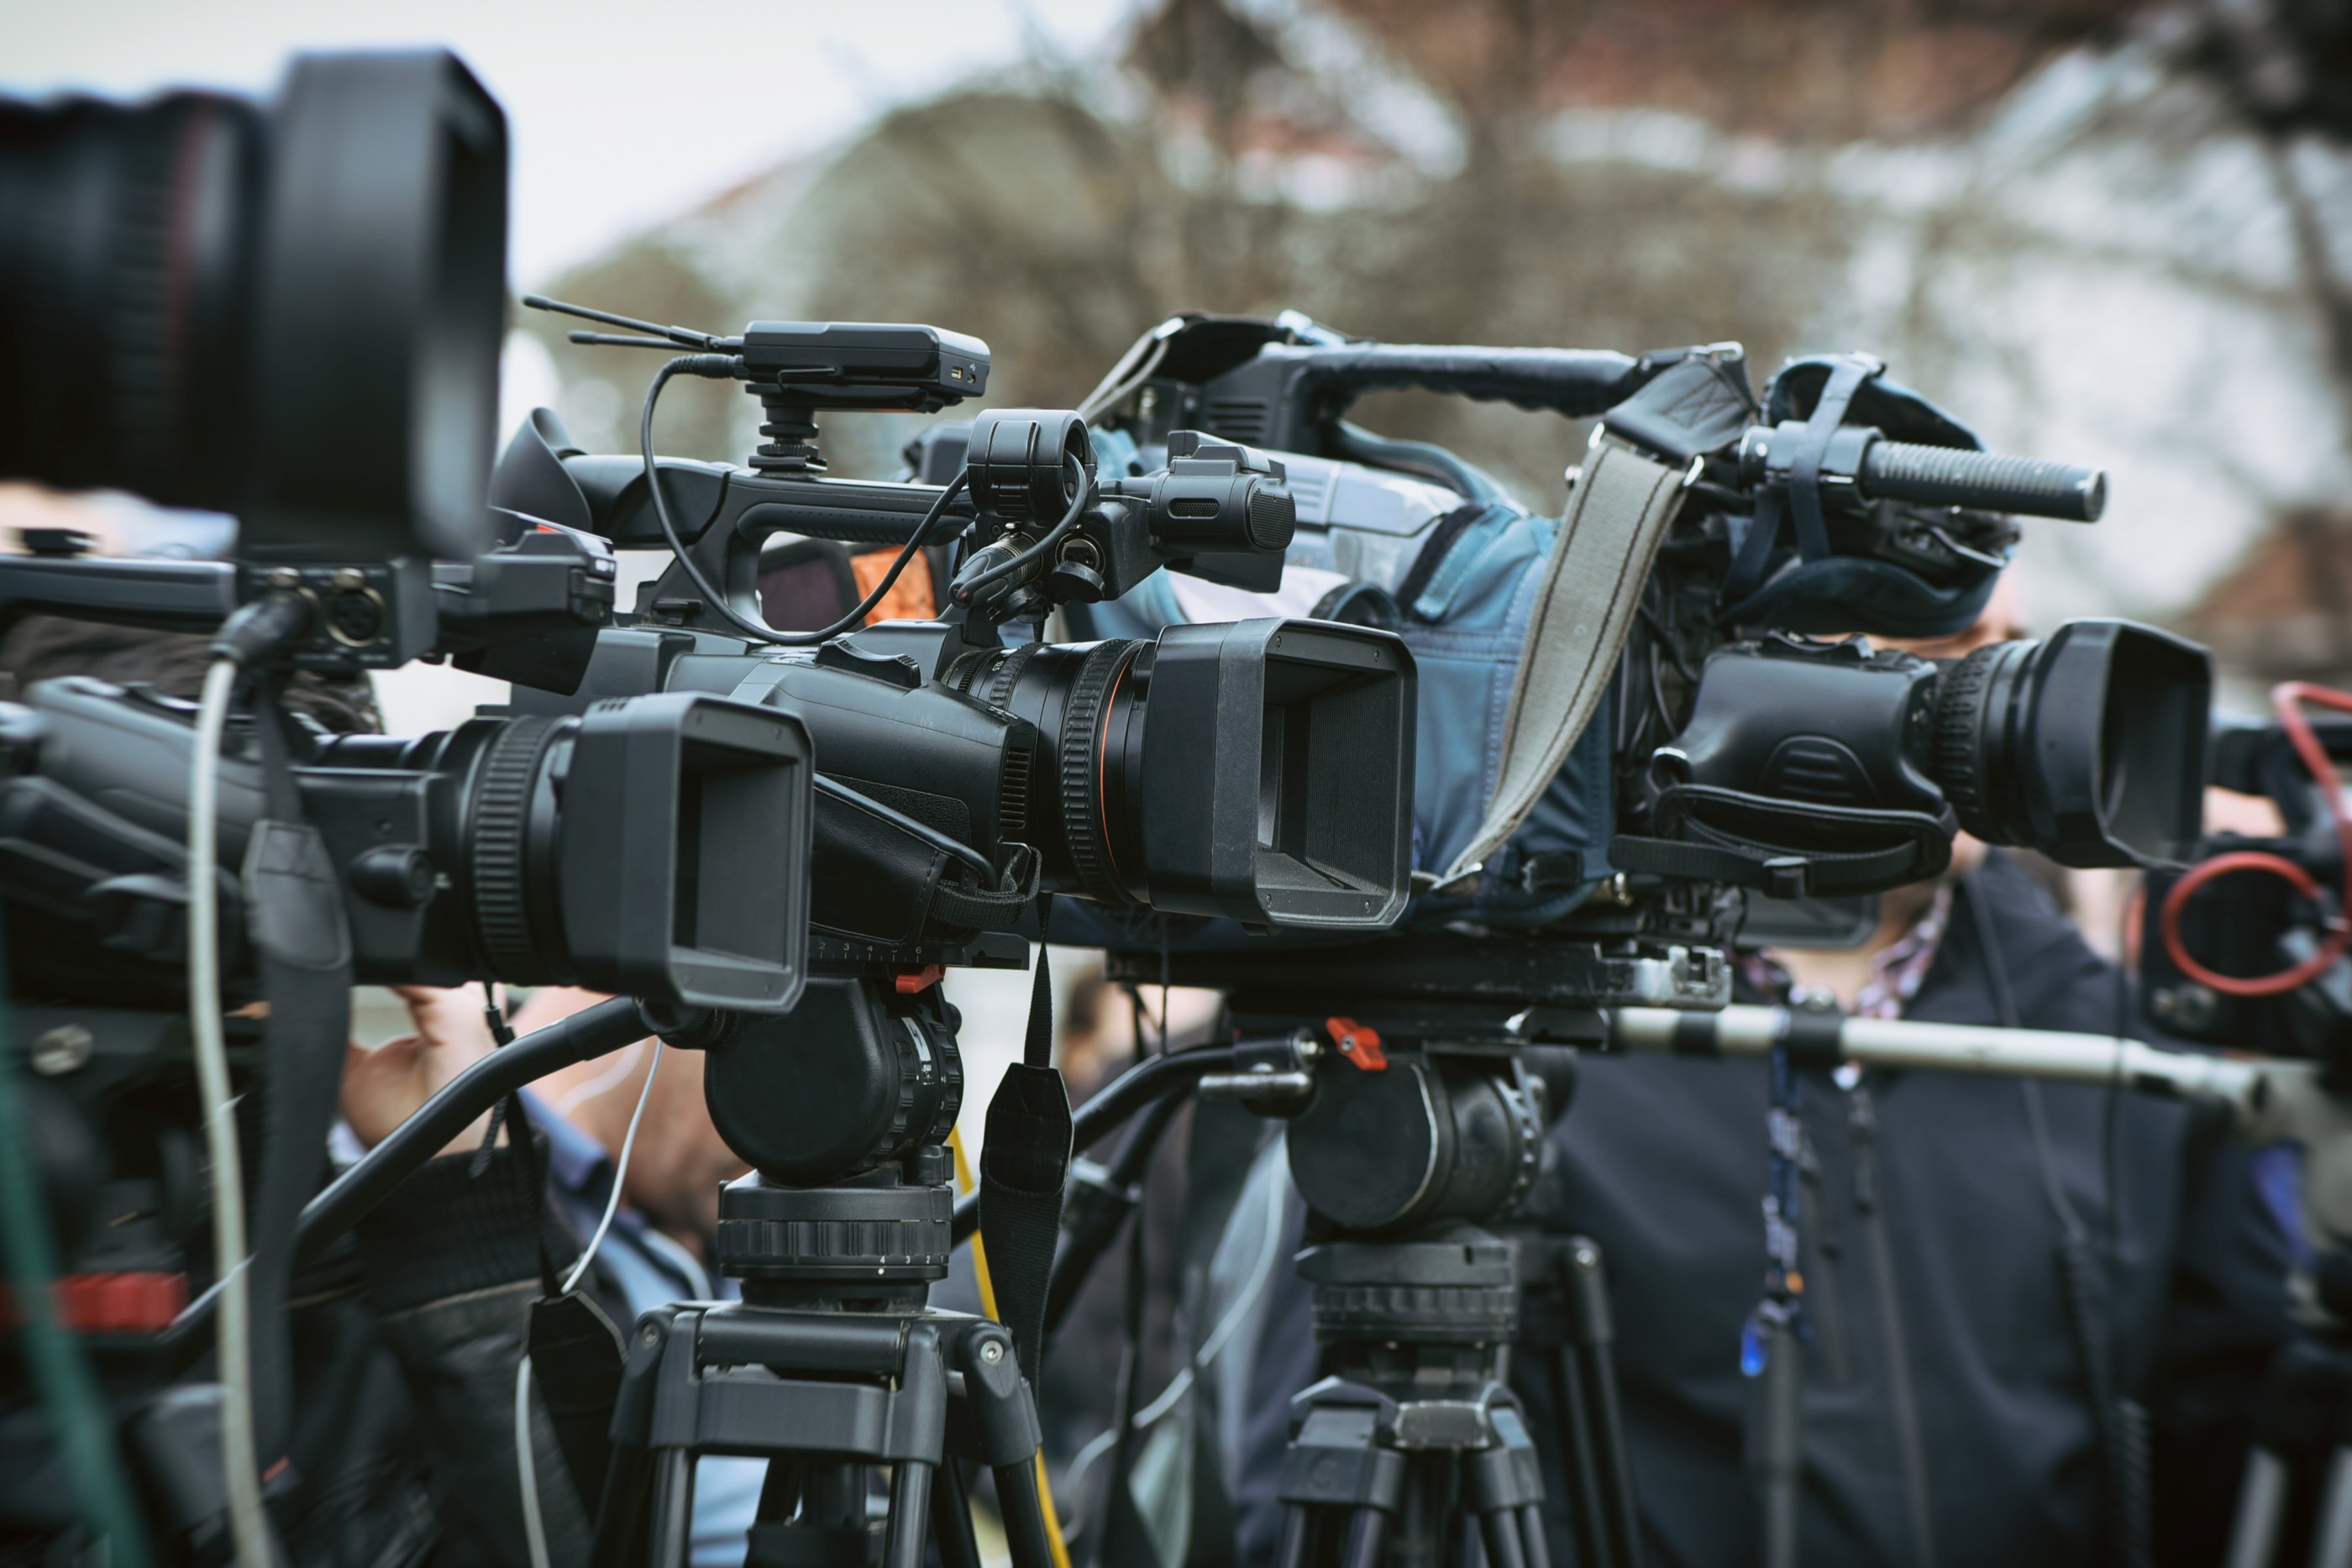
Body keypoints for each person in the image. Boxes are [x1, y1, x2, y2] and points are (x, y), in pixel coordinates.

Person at [1229, 598, 2295, 1567]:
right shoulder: (1507, 1030)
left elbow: (2234, 1430)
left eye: (1996, 642)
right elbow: (1331, 1474)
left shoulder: (2113, 1043)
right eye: (1935, 646)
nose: (1987, 681)